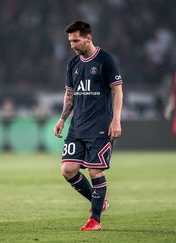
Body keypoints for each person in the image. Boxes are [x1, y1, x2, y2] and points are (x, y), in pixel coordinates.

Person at [53, 21, 123, 231]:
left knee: (95, 171)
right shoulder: (73, 64)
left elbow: (117, 90)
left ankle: (95, 220)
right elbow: (70, 95)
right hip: (77, 127)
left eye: (76, 40)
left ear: (88, 38)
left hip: (100, 127)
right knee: (68, 170)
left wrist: (116, 119)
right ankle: (99, 201)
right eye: (70, 41)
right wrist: (62, 119)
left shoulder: (105, 60)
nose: (72, 45)